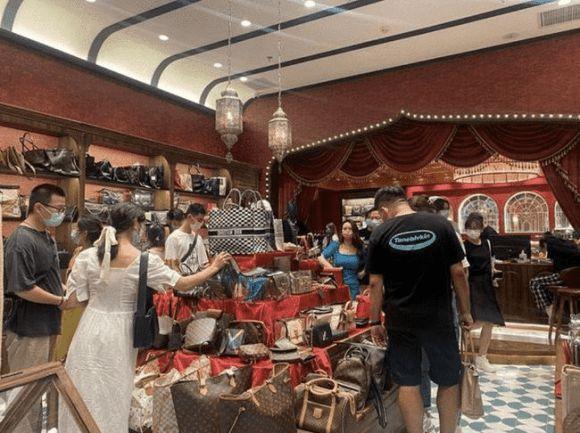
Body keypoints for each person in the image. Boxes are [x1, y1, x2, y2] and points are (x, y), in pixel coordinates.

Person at [58, 203, 231, 433]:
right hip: (120, 331)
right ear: (135, 224)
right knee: (114, 391)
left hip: (89, 326)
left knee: (83, 386)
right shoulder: (144, 260)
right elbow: (181, 283)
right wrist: (213, 267)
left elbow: (75, 300)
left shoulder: (88, 256)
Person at [367, 186, 473, 433]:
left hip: (400, 321)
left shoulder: (381, 233)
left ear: (384, 210)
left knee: (409, 382)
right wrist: (466, 312)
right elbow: (458, 272)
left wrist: (374, 322)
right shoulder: (441, 225)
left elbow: (375, 283)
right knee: (448, 380)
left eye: (379, 215)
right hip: (439, 318)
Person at [3, 184, 67, 433]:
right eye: (58, 209)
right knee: (24, 392)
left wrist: (63, 289)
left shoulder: (46, 236)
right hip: (28, 327)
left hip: (46, 324)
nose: (61, 214)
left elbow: (47, 276)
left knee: (37, 390)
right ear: (39, 207)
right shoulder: (21, 240)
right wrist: (60, 300)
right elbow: (22, 288)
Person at [411, 195, 469, 432]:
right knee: (444, 368)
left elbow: (461, 272)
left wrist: (464, 310)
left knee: (427, 365)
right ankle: (445, 421)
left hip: (428, 306)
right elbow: (461, 273)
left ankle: (432, 417)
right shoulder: (445, 230)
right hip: (441, 305)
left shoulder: (445, 231)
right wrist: (466, 311)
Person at [464, 212, 505, 373]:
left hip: (486, 285)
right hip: (472, 285)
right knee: (474, 320)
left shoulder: (487, 243)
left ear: (481, 229)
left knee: (490, 322)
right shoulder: (463, 246)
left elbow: (490, 263)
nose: (473, 231)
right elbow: (464, 270)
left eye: (476, 228)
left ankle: (482, 357)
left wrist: (493, 277)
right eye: (470, 228)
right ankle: (464, 355)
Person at [529, 231, 580, 319]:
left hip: (565, 277)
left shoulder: (551, 246)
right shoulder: (567, 244)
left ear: (544, 243)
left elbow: (542, 256)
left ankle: (551, 310)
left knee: (534, 283)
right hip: (575, 279)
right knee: (547, 285)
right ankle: (554, 309)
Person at [318, 220, 364, 299]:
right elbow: (320, 257)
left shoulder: (359, 247)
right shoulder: (336, 245)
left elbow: (370, 261)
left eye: (350, 229)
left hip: (354, 286)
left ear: (354, 231)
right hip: (338, 285)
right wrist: (333, 269)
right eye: (344, 229)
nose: (347, 231)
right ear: (341, 231)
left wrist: (364, 272)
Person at [165, 203, 208, 275]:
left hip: (198, 279)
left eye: (202, 220)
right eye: (199, 220)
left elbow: (204, 264)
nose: (201, 223)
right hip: (182, 279)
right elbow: (171, 267)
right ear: (190, 217)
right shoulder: (173, 238)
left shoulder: (198, 238)